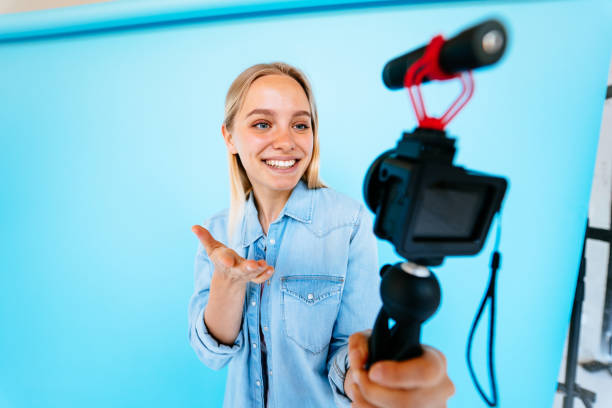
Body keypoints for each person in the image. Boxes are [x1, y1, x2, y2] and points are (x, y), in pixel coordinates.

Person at [188, 62, 455, 407]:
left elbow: (350, 349)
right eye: (263, 124)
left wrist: (369, 377)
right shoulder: (217, 232)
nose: (285, 141)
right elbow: (212, 355)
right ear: (229, 137)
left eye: (300, 124)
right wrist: (228, 281)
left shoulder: (350, 223)